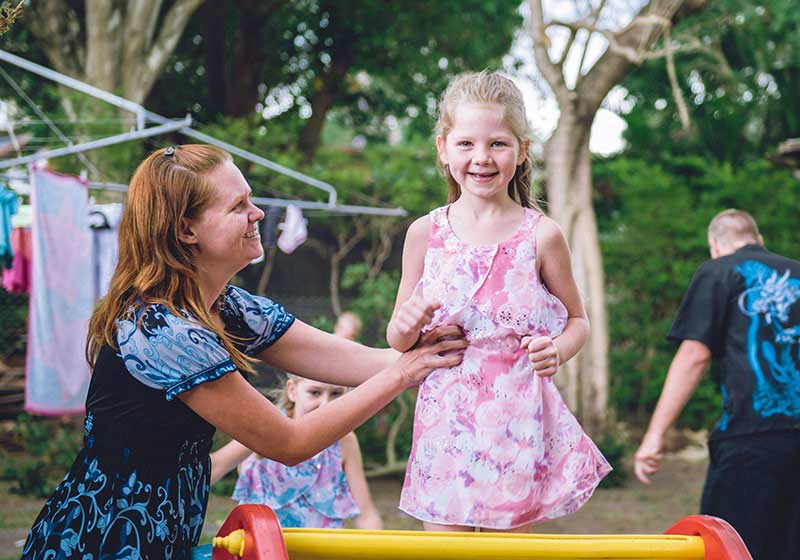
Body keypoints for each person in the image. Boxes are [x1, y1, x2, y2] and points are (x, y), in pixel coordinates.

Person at [20, 145, 466, 559]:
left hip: (159, 538)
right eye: (238, 206)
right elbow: (289, 442)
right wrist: (405, 373)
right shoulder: (161, 330)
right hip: (99, 543)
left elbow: (361, 362)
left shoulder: (228, 307)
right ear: (185, 229)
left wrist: (453, 344)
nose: (256, 213)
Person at [387, 71, 611, 533]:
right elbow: (397, 339)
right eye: (466, 144)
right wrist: (407, 324)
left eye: (498, 144)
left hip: (515, 426)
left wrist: (558, 350)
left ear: (522, 150)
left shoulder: (541, 235)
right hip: (445, 428)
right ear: (443, 149)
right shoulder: (424, 234)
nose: (481, 158)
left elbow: (577, 320)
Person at [633, 209, 800, 560]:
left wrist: (654, 436)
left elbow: (694, 355)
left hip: (750, 439)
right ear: (759, 240)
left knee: (727, 547)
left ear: (715, 246)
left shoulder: (716, 271)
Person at [209, 312, 382, 530]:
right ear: (293, 391)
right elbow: (215, 467)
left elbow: (366, 515)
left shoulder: (345, 442)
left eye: (336, 394)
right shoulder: (268, 427)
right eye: (315, 392)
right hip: (266, 551)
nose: (325, 405)